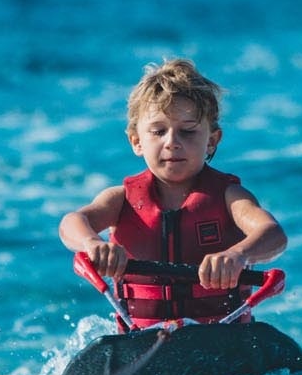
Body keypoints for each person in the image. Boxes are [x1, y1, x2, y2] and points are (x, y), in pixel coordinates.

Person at [58, 58, 287, 326]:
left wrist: (239, 254)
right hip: (142, 342)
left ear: (212, 141)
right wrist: (92, 244)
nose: (172, 143)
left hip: (224, 340)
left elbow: (273, 234)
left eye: (188, 132)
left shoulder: (230, 196)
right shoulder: (120, 200)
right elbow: (71, 223)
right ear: (136, 141)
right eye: (158, 131)